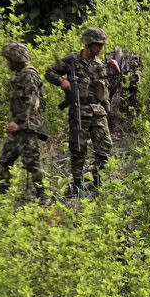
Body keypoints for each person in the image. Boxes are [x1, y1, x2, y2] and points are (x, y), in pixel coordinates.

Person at [45, 27, 120, 196]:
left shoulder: (100, 64)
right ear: (88, 44)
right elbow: (49, 72)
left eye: (102, 45)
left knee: (105, 150)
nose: (100, 48)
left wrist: (116, 71)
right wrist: (61, 81)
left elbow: (111, 87)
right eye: (98, 44)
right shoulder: (72, 61)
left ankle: (97, 185)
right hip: (80, 110)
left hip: (99, 113)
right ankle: (77, 187)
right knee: (78, 150)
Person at [0, 42, 49, 204]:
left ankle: (43, 197)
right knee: (4, 160)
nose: (7, 63)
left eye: (9, 59)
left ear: (15, 58)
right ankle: (3, 198)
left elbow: (32, 102)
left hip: (26, 128)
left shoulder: (29, 75)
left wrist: (18, 122)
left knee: (32, 163)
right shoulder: (19, 75)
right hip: (19, 128)